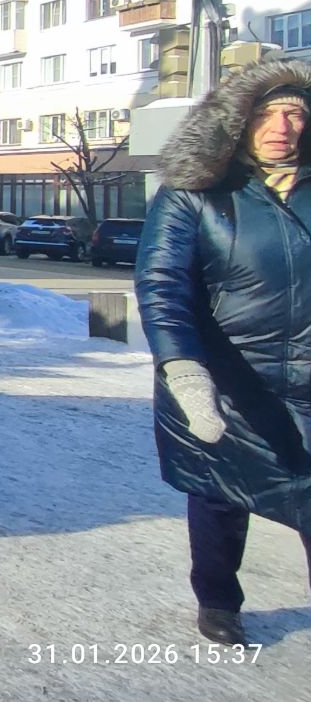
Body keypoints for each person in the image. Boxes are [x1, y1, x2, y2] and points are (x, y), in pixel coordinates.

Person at [136, 59, 311, 646]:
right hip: (226, 381)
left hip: (308, 379)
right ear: (238, 122)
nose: (283, 125)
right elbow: (163, 286)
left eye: (295, 112)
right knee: (220, 497)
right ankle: (218, 601)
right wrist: (185, 371)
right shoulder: (196, 194)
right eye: (267, 112)